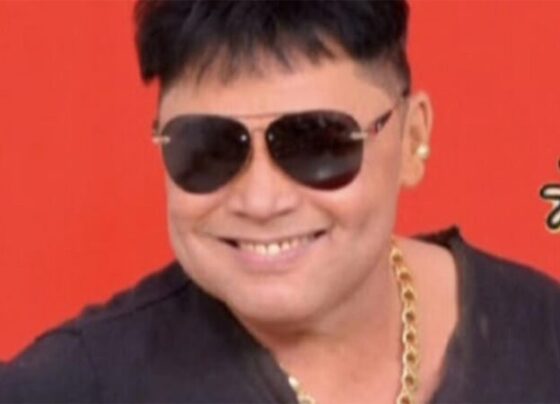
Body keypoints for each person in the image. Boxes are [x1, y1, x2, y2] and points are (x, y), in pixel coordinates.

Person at [1, 1, 559, 403]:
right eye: (211, 147)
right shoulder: (73, 386)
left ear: (413, 139)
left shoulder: (544, 339)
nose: (261, 200)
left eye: (316, 144)